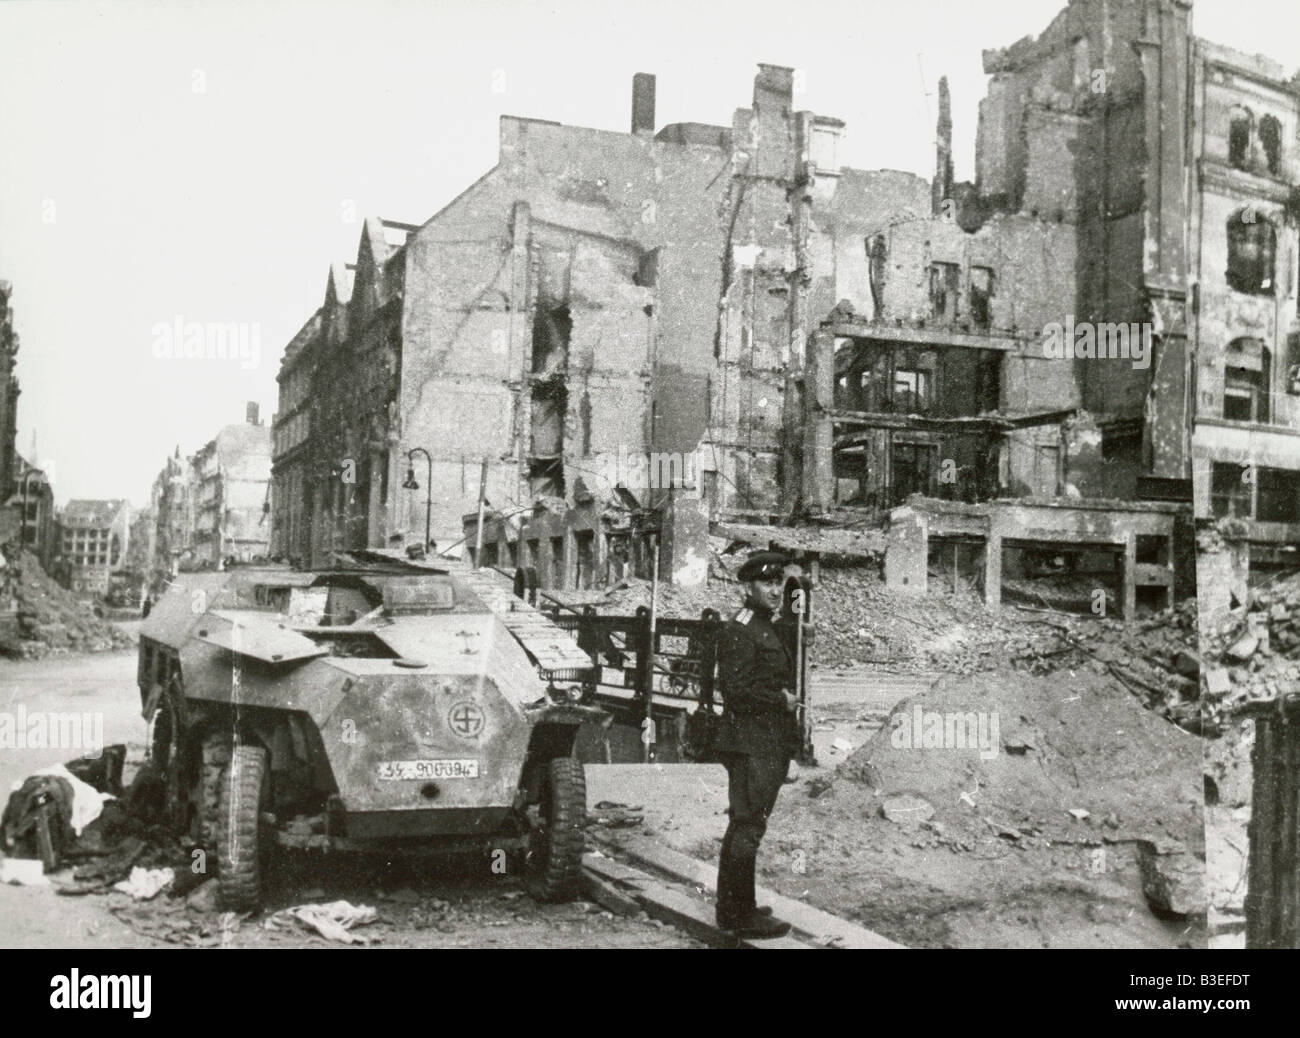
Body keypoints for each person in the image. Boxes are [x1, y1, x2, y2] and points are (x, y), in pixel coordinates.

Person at [713, 550, 801, 939]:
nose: (776, 590)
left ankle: (738, 904)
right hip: (750, 742)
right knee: (747, 826)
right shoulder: (741, 629)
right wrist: (780, 701)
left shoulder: (764, 626)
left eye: (779, 582)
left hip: (765, 741)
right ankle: (735, 913)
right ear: (748, 588)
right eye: (767, 583)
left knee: (748, 824)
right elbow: (735, 690)